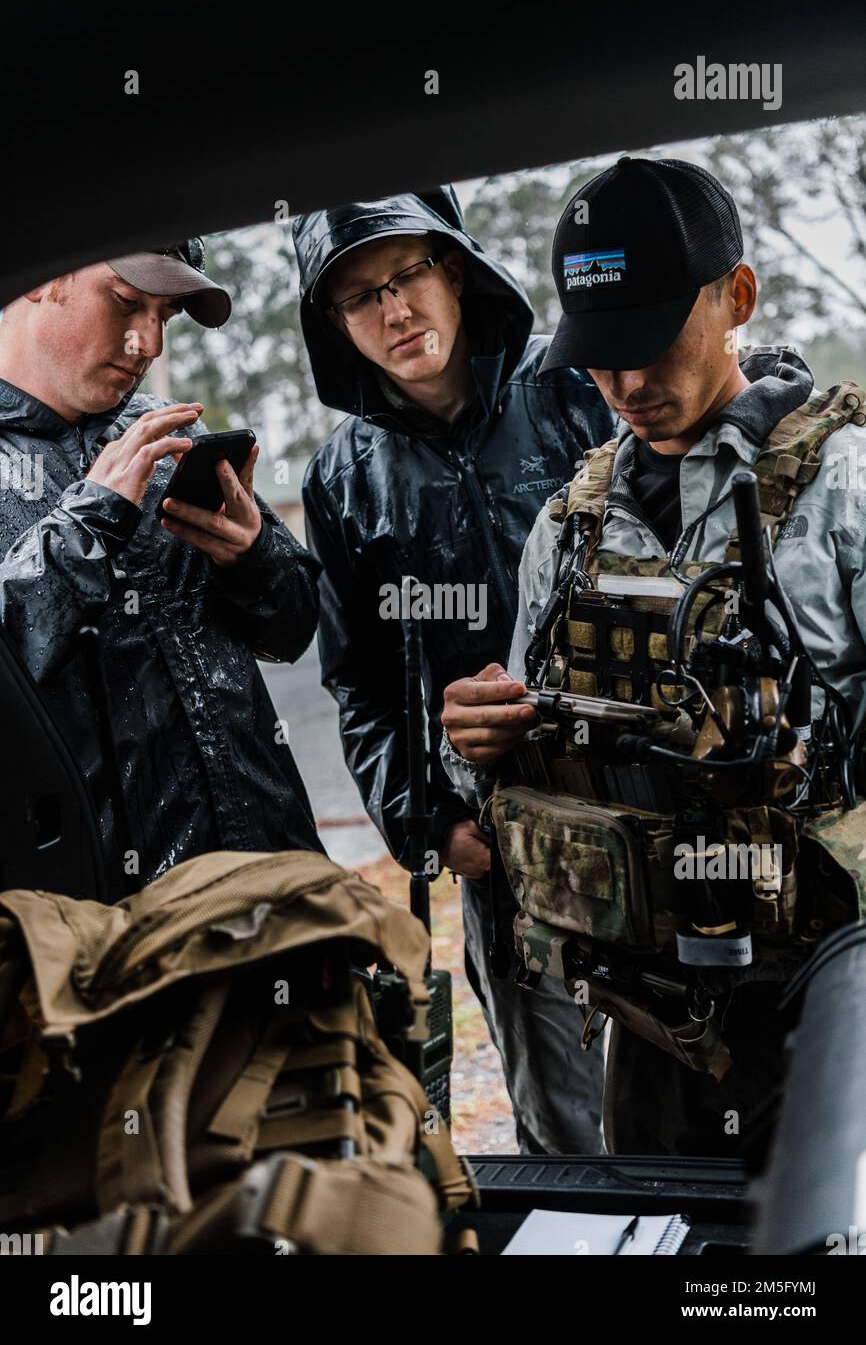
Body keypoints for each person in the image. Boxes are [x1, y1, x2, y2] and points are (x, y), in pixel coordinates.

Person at [440, 156, 866, 1157]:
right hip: (650, 1021)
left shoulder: (841, 492)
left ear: (737, 298)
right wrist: (473, 738)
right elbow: (516, 742)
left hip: (824, 1003)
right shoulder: (569, 522)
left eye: (647, 342)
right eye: (596, 353)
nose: (623, 384)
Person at [294, 187, 615, 1154]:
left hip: (645, 807)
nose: (393, 313)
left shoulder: (576, 390)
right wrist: (426, 823)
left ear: (457, 272)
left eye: (408, 276)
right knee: (563, 1127)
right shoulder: (343, 478)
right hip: (504, 848)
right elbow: (355, 679)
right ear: (334, 325)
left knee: (682, 1090)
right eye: (359, 298)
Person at [0, 239, 323, 897]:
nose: (150, 344)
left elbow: (293, 630)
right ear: (39, 276)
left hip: (275, 887)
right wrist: (88, 523)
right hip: (103, 939)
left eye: (166, 315)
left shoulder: (170, 436)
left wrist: (253, 559)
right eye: (126, 304)